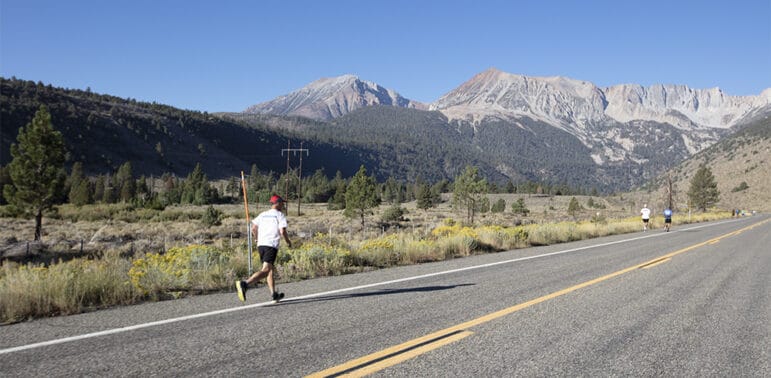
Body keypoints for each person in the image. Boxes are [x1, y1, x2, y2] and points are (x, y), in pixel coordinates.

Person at [236, 194, 292, 303]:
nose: (283, 205)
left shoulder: (262, 215)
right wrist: (288, 242)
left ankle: (274, 294)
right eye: (282, 203)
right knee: (266, 270)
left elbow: (253, 228)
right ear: (277, 203)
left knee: (269, 268)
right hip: (271, 245)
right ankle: (245, 284)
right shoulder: (280, 215)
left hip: (261, 245)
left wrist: (257, 240)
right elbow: (282, 231)